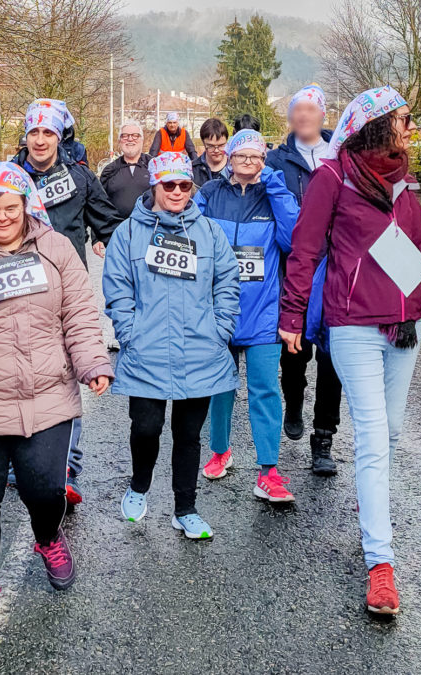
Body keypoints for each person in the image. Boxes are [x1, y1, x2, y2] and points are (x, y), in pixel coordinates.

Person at [279, 88, 421, 615]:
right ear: (380, 123)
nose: (412, 126)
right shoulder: (332, 176)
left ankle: (371, 512)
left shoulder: (401, 178)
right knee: (372, 435)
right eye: (406, 117)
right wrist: (292, 314)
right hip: (353, 326)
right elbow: (306, 249)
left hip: (405, 324)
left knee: (388, 433)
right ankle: (380, 562)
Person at [0, 162, 113, 633]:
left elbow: (79, 314)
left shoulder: (56, 249)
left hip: (49, 395)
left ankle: (47, 535)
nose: (0, 216)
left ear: (26, 206)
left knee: (44, 489)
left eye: (10, 206)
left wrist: (93, 364)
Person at [103, 151, 240, 539]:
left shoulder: (210, 232)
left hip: (201, 349)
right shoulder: (128, 233)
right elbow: (117, 287)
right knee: (146, 427)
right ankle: (139, 486)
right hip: (146, 350)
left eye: (185, 185)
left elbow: (228, 281)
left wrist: (220, 329)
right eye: (170, 185)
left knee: (188, 433)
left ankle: (186, 507)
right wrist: (129, 332)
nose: (178, 191)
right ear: (155, 185)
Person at [12, 97, 120, 504]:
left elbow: (109, 225)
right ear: (25, 135)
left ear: (59, 136)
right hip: (15, 293)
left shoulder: (80, 177)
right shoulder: (9, 175)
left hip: (65, 294)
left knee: (66, 375)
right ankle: (16, 458)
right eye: (34, 132)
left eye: (48, 132)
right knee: (19, 375)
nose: (40, 140)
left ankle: (67, 466)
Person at [194, 129, 301, 502]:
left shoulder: (273, 194)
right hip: (219, 311)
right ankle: (220, 451)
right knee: (220, 387)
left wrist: (275, 188)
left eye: (257, 157)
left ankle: (269, 470)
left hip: (263, 314)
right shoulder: (209, 193)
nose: (250, 164)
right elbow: (193, 242)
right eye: (243, 157)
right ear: (230, 157)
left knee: (265, 390)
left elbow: (293, 240)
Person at [266, 84, 342, 476]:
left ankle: (324, 435)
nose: (303, 117)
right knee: (293, 348)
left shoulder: (342, 156)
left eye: (311, 110)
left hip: (338, 268)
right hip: (293, 263)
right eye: (297, 110)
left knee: (333, 355)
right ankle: (293, 399)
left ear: (323, 116)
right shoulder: (276, 160)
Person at [100, 120, 153, 220]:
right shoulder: (109, 170)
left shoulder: (154, 166)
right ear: (119, 141)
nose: (130, 139)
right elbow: (100, 205)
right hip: (117, 230)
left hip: (150, 229)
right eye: (125, 136)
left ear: (142, 140)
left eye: (135, 135)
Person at [192, 117, 229, 187]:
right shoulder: (193, 169)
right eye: (211, 146)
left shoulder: (234, 168)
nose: (216, 150)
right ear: (203, 143)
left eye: (221, 145)